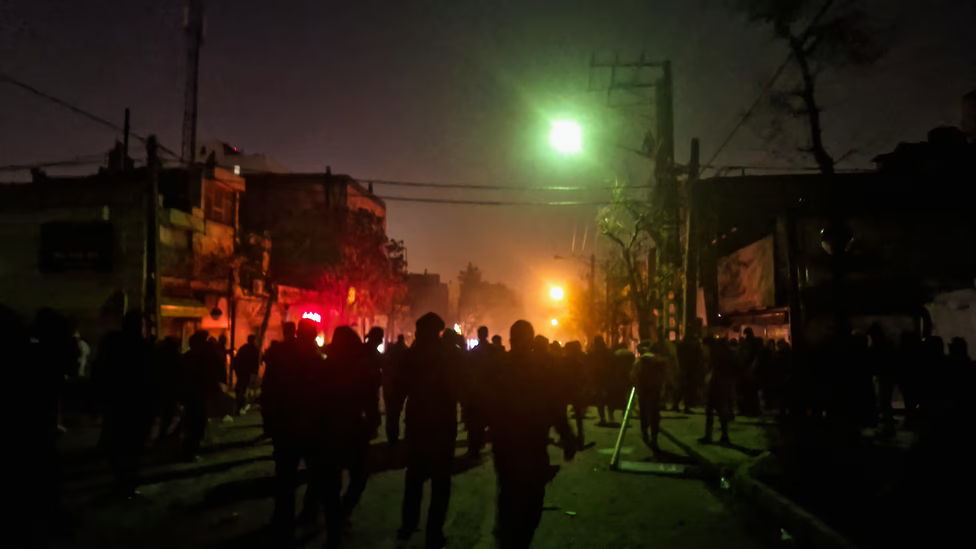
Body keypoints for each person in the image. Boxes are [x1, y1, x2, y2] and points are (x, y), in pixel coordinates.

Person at [488, 320, 576, 549]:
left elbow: (485, 402)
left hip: (509, 446)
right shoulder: (540, 369)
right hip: (530, 446)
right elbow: (555, 406)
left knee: (511, 494)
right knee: (529, 499)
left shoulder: (500, 366)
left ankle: (509, 539)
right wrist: (567, 437)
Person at [263, 319, 332, 544]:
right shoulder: (317, 359)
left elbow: (269, 391)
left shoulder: (283, 356)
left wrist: (269, 421)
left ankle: (284, 520)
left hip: (288, 426)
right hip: (308, 427)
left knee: (286, 477)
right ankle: (306, 514)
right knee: (314, 474)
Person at [395, 313, 461, 549]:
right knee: (441, 482)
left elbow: (400, 386)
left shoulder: (412, 355)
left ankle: (408, 523)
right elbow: (460, 385)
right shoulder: (450, 354)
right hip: (443, 424)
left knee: (414, 477)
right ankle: (434, 532)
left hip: (418, 423)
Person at [315, 326, 380, 539]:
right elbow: (370, 399)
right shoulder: (358, 368)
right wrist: (372, 422)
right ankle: (338, 518)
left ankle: (335, 520)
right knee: (356, 477)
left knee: (333, 481)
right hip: (350, 429)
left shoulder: (325, 367)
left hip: (332, 430)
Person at [92, 310, 153, 498]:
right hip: (135, 405)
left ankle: (122, 483)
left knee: (121, 446)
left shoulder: (113, 343)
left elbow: (100, 370)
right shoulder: (142, 347)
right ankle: (126, 485)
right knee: (131, 447)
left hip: (121, 403)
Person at [180, 331, 225, 461]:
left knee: (193, 421)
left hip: (192, 394)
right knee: (197, 423)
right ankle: (189, 451)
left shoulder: (189, 356)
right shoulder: (200, 357)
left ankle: (188, 449)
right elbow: (211, 372)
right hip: (196, 394)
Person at [632, 341, 668, 448]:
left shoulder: (641, 360)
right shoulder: (660, 361)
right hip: (655, 390)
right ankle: (654, 437)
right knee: (654, 413)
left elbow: (633, 374)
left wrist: (635, 384)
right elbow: (664, 376)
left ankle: (644, 432)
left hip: (643, 389)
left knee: (643, 412)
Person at [464, 326, 493, 458]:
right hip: (488, 390)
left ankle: (475, 447)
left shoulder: (474, 352)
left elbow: (468, 371)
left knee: (476, 422)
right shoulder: (493, 351)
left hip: (477, 390)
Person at [700, 337, 735, 445]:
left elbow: (715, 372)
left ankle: (712, 435)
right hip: (720, 386)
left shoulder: (717, 356)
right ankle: (722, 435)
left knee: (713, 411)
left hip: (717, 387)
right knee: (718, 412)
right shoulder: (722, 355)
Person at [153, 336, 182, 444]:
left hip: (163, 388)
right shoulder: (174, 356)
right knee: (167, 413)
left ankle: (162, 436)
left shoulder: (160, 355)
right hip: (170, 388)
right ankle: (163, 436)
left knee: (165, 413)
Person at [383, 334, 408, 444]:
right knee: (395, 412)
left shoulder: (392, 351)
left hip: (391, 384)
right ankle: (394, 435)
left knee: (391, 412)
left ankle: (392, 435)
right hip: (397, 385)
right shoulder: (404, 350)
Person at [563, 341, 588, 448]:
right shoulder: (579, 362)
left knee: (565, 413)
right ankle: (579, 436)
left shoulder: (564, 361)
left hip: (567, 389)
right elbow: (584, 376)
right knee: (578, 415)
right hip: (575, 389)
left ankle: (569, 437)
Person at [676, 332, 704, 413]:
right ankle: (686, 405)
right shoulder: (692, 347)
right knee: (688, 388)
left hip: (685, 369)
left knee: (683, 388)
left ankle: (678, 404)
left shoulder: (682, 346)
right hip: (690, 370)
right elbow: (698, 358)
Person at [588, 336, 613, 425]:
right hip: (607, 377)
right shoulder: (608, 352)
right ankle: (611, 416)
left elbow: (591, 366)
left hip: (598, 378)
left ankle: (602, 418)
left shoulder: (594, 353)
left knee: (600, 399)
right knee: (609, 397)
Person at [232, 335, 260, 415]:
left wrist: (236, 369)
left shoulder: (244, 348)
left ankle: (239, 405)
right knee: (242, 388)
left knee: (239, 388)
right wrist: (254, 373)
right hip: (246, 372)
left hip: (242, 371)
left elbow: (237, 359)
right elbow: (255, 363)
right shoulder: (254, 350)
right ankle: (240, 405)